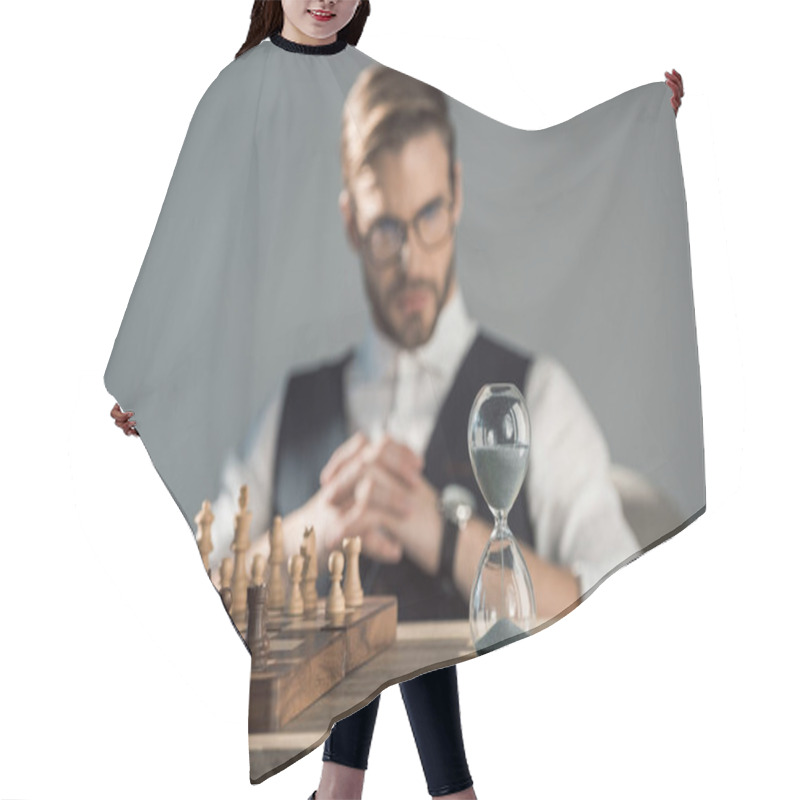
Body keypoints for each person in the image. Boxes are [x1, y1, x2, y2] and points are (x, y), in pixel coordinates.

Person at [110, 3, 685, 798]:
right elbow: (197, 238)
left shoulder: (374, 88)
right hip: (293, 384)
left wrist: (632, 131)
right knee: (372, 583)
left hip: (378, 370)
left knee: (390, 586)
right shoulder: (237, 93)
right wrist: (147, 370)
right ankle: (420, 789)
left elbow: (490, 170)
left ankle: (350, 788)